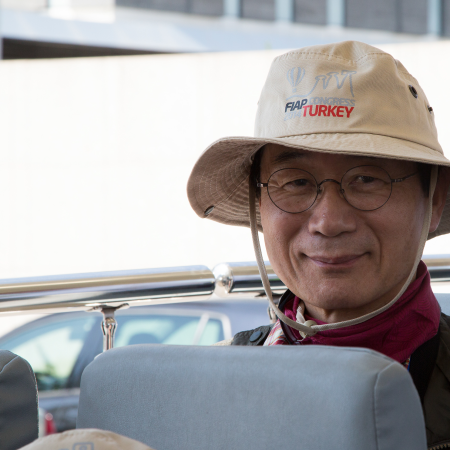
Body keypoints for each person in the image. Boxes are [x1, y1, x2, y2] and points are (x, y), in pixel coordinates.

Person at [187, 41, 450, 447]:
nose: (328, 222)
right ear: (260, 204)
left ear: (433, 200)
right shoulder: (204, 386)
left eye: (367, 179)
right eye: (295, 182)